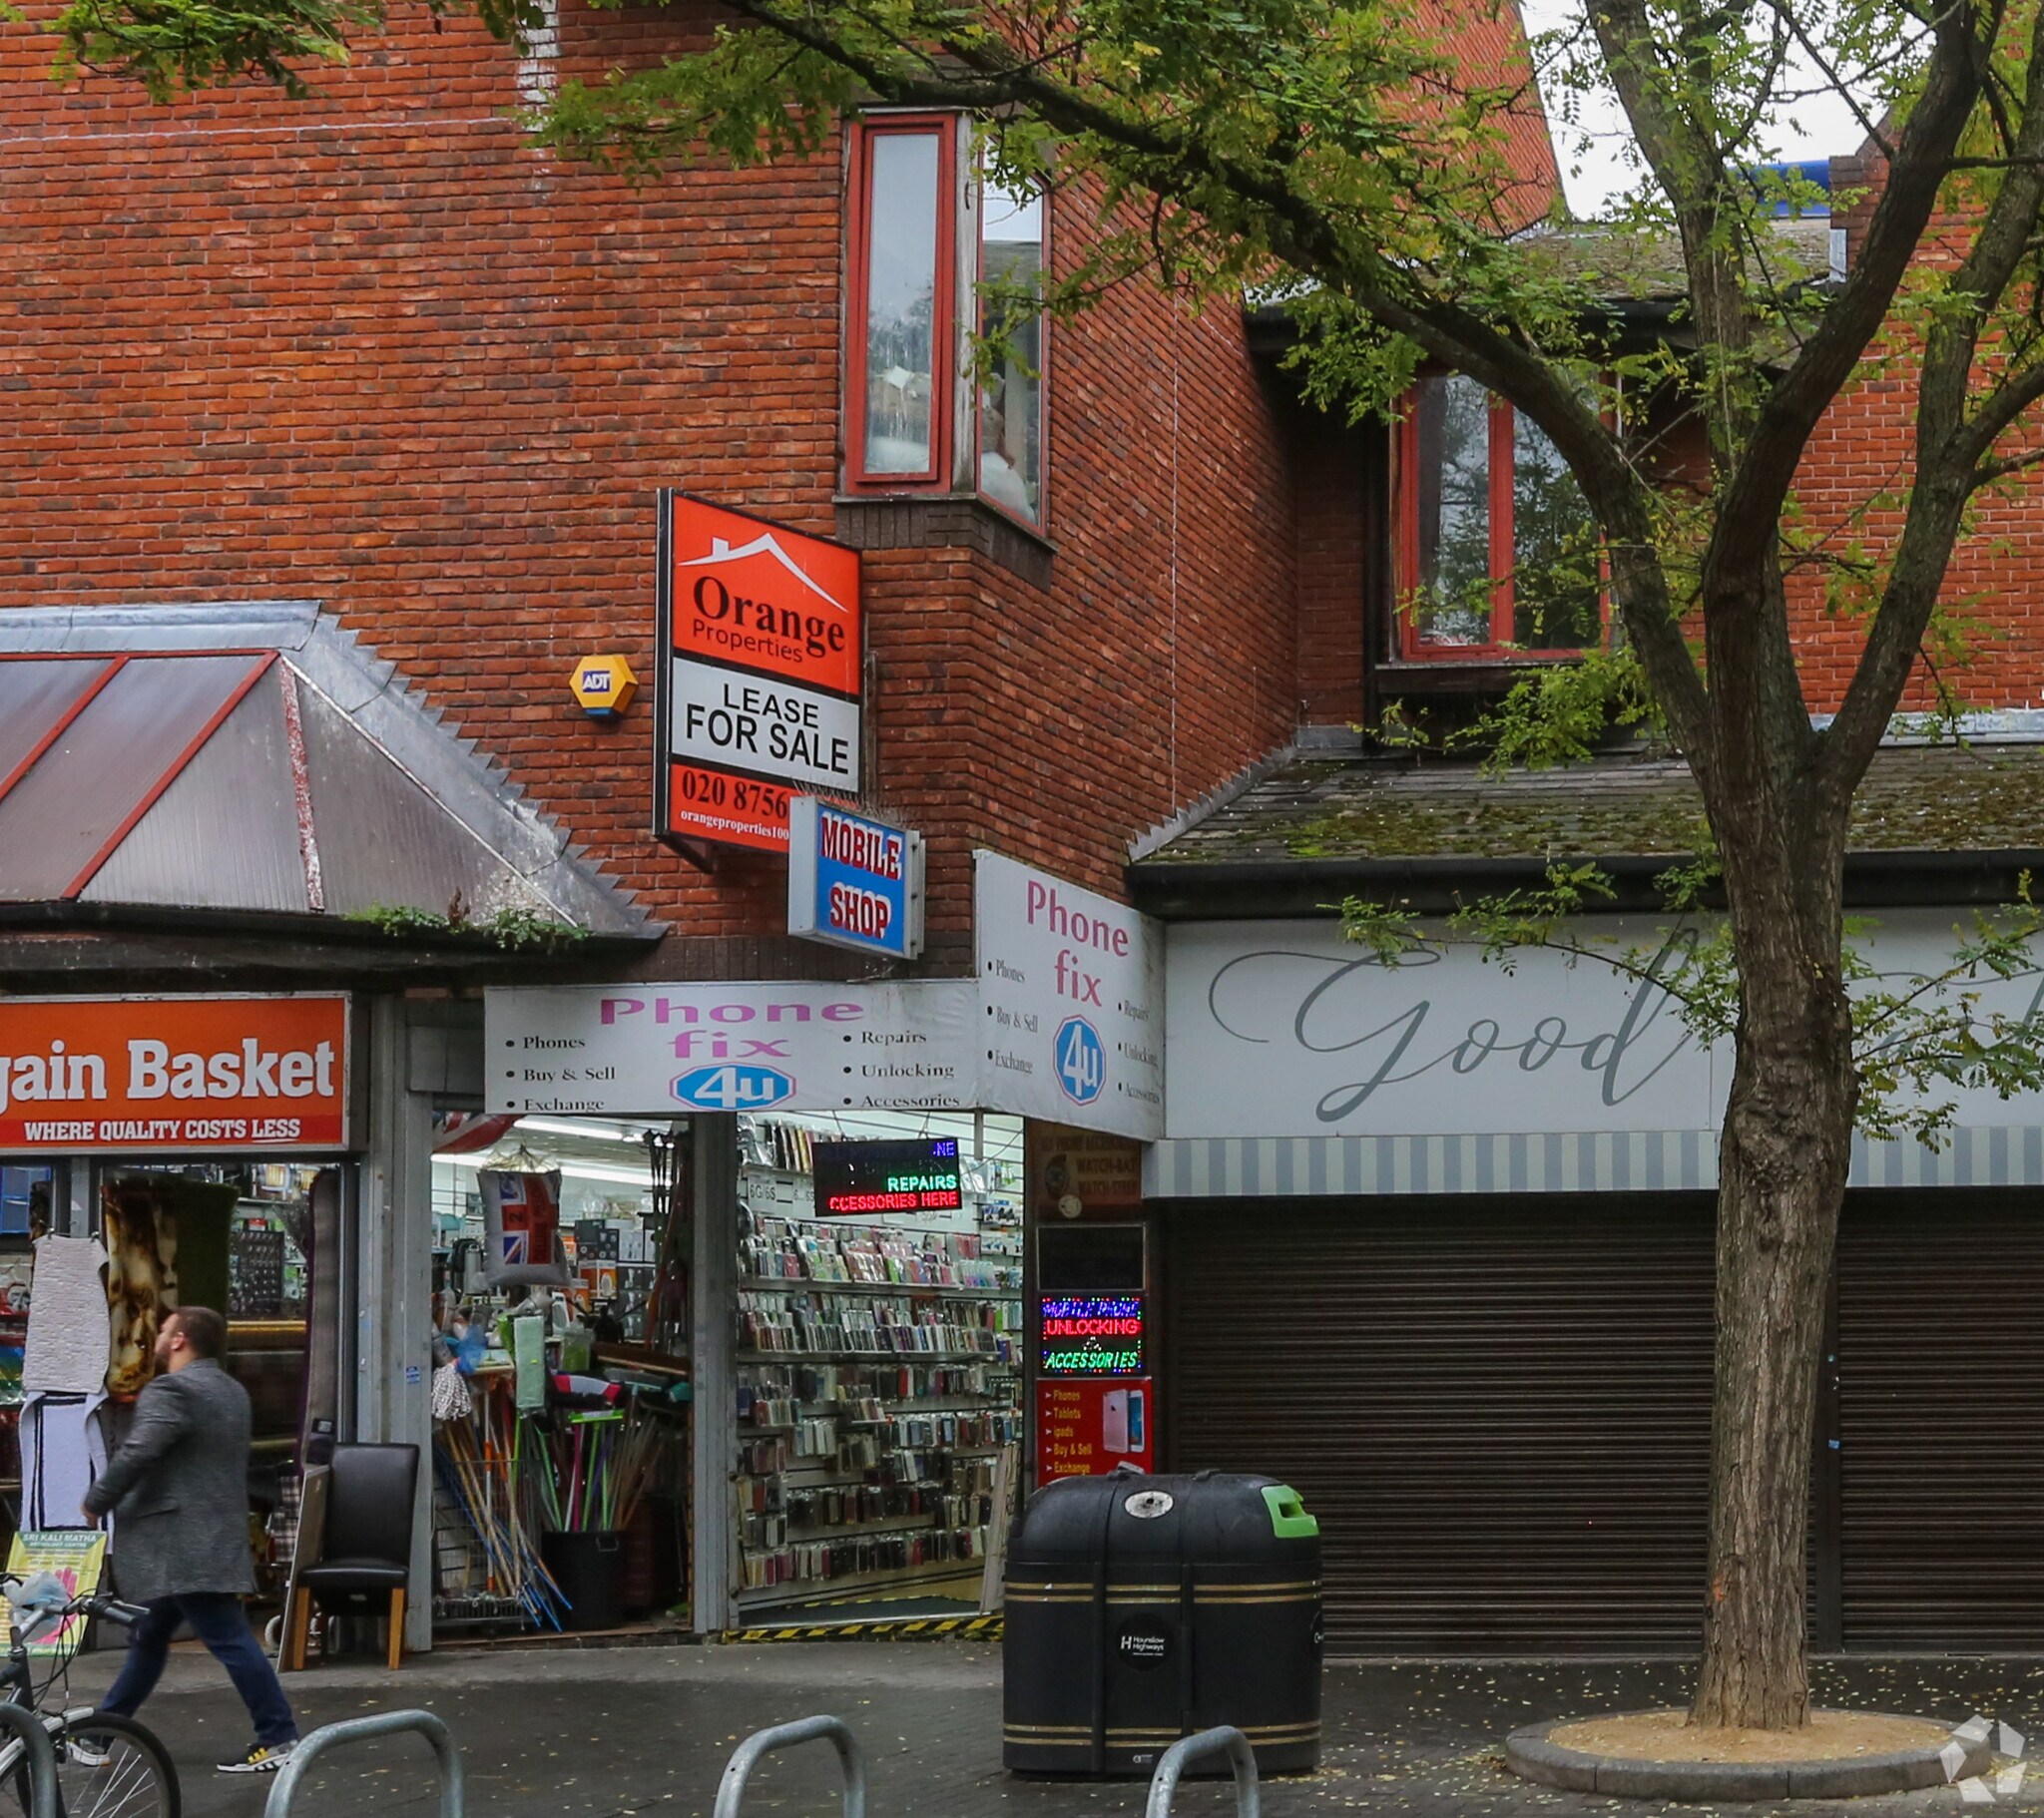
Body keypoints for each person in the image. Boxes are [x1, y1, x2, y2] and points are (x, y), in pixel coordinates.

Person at [82, 1305, 299, 1773]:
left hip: (180, 1542)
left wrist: (98, 1498)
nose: (158, 1337)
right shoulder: (230, 1390)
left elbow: (141, 1450)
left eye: (163, 1330)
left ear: (180, 1339)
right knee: (151, 1636)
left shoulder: (172, 1389)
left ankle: (279, 1735)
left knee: (228, 1638)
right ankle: (102, 1734)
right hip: (211, 1535)